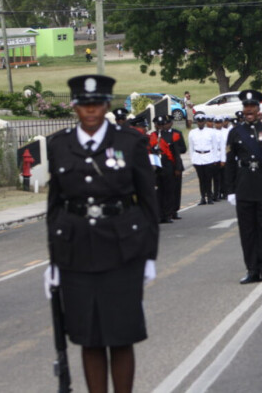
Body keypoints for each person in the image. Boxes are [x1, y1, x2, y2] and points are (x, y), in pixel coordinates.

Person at [44, 74, 159, 393]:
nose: (91, 111)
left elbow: (148, 202)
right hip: (76, 254)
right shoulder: (59, 145)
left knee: (121, 337)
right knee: (88, 338)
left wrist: (149, 255)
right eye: (84, 105)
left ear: (107, 105)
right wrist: (54, 260)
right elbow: (55, 208)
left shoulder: (130, 142)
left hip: (124, 252)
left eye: (97, 104)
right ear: (75, 107)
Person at [225, 90, 262, 284]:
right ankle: (252, 270)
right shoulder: (235, 132)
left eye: (252, 107)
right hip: (244, 186)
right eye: (246, 107)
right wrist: (231, 190)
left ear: (259, 109)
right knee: (247, 231)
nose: (249, 110)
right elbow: (230, 162)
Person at [150, 115, 177, 223]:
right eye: (158, 125)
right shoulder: (151, 136)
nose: (160, 127)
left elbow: (175, 153)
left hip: (167, 165)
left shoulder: (170, 136)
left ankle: (167, 214)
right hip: (156, 167)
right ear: (155, 125)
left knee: (168, 191)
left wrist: (177, 167)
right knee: (157, 192)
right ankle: (159, 214)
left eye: (162, 124)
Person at [188, 114, 218, 205]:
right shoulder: (192, 132)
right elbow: (191, 147)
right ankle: (202, 198)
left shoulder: (211, 132)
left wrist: (215, 159)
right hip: (197, 157)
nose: (200, 123)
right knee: (201, 179)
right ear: (197, 122)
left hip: (208, 157)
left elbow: (215, 146)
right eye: (199, 122)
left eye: (202, 121)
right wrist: (192, 159)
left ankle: (209, 197)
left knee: (208, 178)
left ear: (205, 122)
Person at [163, 115, 187, 219]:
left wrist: (174, 148)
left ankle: (175, 210)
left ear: (171, 123)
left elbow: (183, 148)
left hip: (176, 163)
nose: (166, 125)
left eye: (168, 123)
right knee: (167, 189)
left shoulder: (177, 133)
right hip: (165, 164)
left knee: (176, 189)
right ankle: (166, 210)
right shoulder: (160, 135)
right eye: (164, 123)